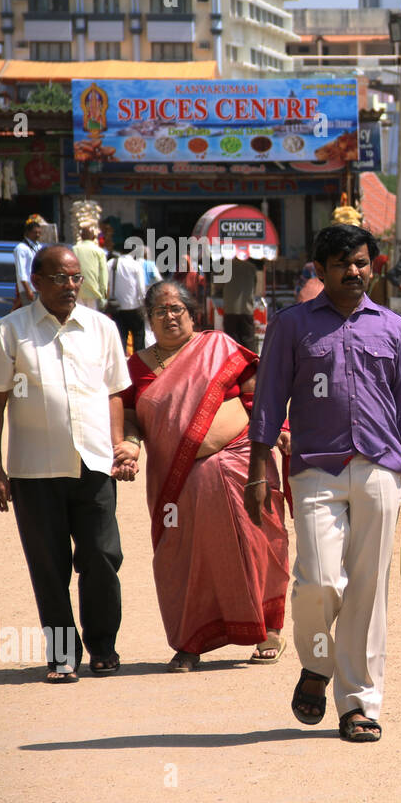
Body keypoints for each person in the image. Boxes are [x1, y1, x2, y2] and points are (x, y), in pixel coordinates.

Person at [247, 223, 401, 743]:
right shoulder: (292, 326)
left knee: (368, 592)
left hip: (380, 468)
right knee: (319, 580)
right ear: (320, 271)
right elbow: (267, 404)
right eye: (341, 265)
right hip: (314, 469)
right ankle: (318, 662)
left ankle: (358, 704)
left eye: (360, 262)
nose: (354, 272)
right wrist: (258, 470)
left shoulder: (393, 328)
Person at [0, 246, 132, 682]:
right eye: (60, 278)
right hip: (33, 471)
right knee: (49, 566)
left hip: (94, 465)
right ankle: (63, 654)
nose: (70, 286)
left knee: (102, 557)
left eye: (76, 278)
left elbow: (115, 392)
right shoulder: (10, 331)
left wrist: (118, 445)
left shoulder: (102, 328)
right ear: (37, 281)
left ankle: (103, 646)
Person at [120, 281, 290, 673]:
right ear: (149, 318)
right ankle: (190, 640)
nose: (170, 316)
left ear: (192, 314)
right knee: (183, 558)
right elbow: (129, 414)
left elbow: (256, 394)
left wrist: (279, 427)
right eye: (160, 310)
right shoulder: (136, 368)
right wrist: (130, 444)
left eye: (177, 308)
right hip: (176, 483)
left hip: (240, 464)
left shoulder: (218, 347)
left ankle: (268, 631)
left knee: (255, 543)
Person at [108, 241, 148, 354]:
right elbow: (141, 288)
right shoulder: (136, 265)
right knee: (139, 335)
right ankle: (138, 360)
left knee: (121, 337)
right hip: (134, 306)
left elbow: (106, 283)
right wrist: (143, 303)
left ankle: (122, 362)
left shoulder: (111, 263)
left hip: (117, 307)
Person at [221, 255, 261, 352]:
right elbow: (255, 286)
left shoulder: (227, 266)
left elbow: (219, 284)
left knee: (231, 339)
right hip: (246, 308)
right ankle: (251, 363)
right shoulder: (251, 267)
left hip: (230, 308)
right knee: (248, 339)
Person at [73, 224, 109, 310]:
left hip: (77, 292)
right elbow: (103, 275)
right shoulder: (99, 252)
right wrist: (104, 297)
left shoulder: (74, 249)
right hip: (93, 293)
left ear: (81, 236)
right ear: (94, 237)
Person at [14, 215, 46, 307]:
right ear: (27, 233)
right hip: (29, 289)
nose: (38, 235)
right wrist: (28, 290)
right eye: (35, 232)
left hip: (38, 288)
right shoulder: (21, 248)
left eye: (39, 233)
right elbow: (21, 272)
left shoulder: (38, 246)